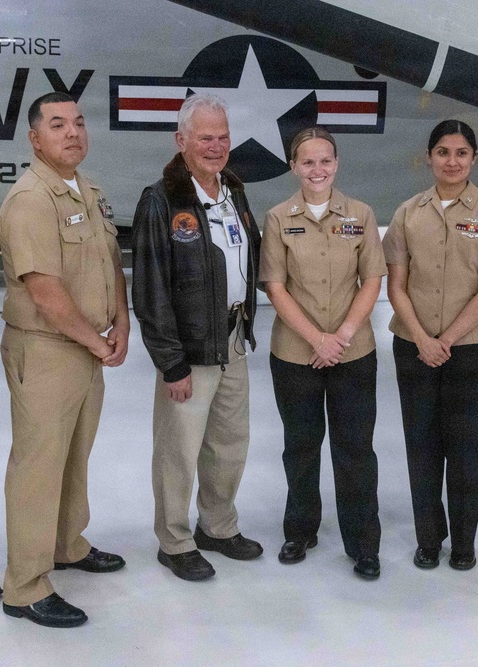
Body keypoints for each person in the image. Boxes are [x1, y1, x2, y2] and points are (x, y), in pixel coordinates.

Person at [0, 92, 129, 627]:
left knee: (74, 456)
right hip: (48, 349)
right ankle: (25, 587)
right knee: (38, 467)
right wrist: (98, 343)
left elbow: (112, 262)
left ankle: (66, 546)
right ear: (35, 138)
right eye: (57, 125)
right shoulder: (31, 199)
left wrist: (122, 319)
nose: (72, 132)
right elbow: (45, 290)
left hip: (87, 346)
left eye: (78, 122)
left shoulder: (88, 192)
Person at [132, 93, 263, 582]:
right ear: (180, 140)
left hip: (232, 338)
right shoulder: (161, 200)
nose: (216, 146)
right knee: (178, 451)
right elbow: (150, 289)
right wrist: (172, 362)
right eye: (205, 137)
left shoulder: (233, 190)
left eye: (223, 136)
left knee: (230, 444)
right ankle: (175, 539)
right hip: (189, 349)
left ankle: (218, 526)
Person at [384, 120, 478, 571]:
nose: (452, 161)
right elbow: (396, 285)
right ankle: (428, 538)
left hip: (471, 352)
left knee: (466, 450)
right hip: (414, 348)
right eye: (443, 152)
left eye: (461, 153)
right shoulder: (407, 213)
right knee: (420, 447)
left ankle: (463, 542)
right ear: (429, 157)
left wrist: (447, 340)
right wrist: (423, 338)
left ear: (474, 159)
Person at [260, 127, 385, 579]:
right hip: (297, 354)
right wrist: (317, 339)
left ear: (337, 164)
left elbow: (372, 279)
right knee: (301, 446)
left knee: (355, 448)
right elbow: (274, 286)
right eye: (308, 161)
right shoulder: (277, 218)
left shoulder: (361, 214)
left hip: (352, 353)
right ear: (294, 166)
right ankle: (300, 530)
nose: (318, 170)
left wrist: (343, 335)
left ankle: (363, 543)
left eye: (326, 160)